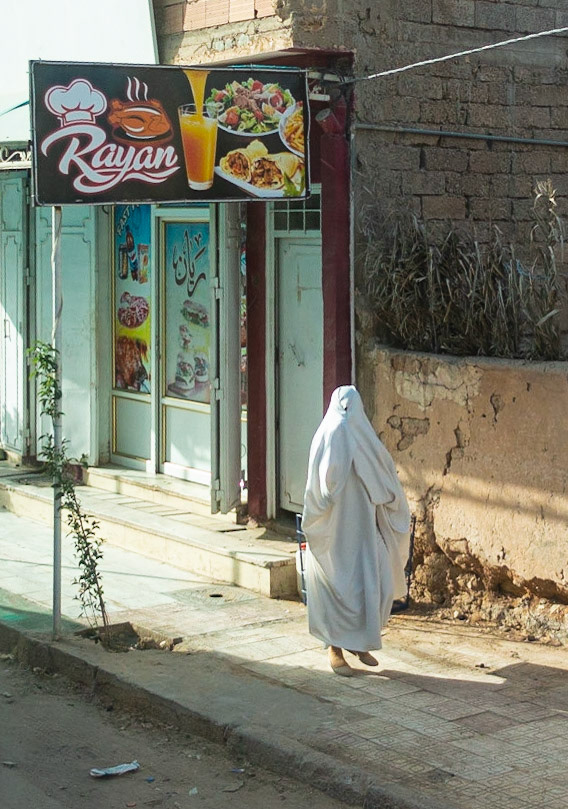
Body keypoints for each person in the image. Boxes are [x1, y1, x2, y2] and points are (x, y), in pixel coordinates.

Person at [302, 385, 411, 677]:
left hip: (363, 527)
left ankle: (359, 643)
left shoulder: (363, 439)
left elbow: (382, 474)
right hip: (333, 529)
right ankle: (334, 649)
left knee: (371, 580)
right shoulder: (329, 435)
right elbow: (323, 483)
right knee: (335, 584)